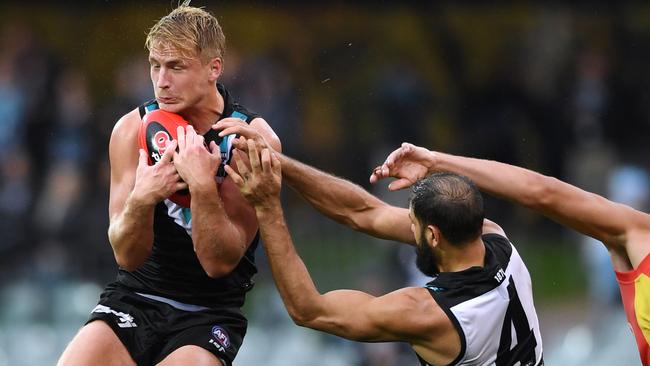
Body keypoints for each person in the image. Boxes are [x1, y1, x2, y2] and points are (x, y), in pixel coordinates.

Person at [57, 3, 280, 366]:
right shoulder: (130, 130)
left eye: (176, 67)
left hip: (207, 312)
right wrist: (144, 198)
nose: (162, 81)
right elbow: (126, 255)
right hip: (136, 298)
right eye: (155, 66)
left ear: (214, 69)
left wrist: (203, 187)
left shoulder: (249, 141)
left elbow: (219, 263)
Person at [216, 124, 544, 365]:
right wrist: (276, 162)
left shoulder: (426, 314)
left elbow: (310, 310)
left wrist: (267, 206)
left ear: (433, 236)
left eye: (413, 226)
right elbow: (365, 213)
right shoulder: (496, 239)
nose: (409, 233)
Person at [368, 142, 650, 366]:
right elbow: (541, 192)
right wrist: (435, 163)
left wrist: (436, 163)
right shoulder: (640, 236)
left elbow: (543, 193)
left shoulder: (640, 235)